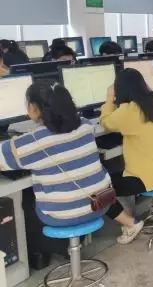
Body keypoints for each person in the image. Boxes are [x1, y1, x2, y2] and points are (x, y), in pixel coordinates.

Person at [0, 83, 142, 244]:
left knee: (25, 200)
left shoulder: (31, 142)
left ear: (34, 109)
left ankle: (45, 254)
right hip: (100, 205)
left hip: (59, 217)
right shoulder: (86, 126)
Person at [100, 69, 153, 243]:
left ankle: (130, 224)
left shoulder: (127, 111)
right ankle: (143, 211)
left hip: (151, 179)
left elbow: (105, 123)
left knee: (100, 189)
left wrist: (109, 99)